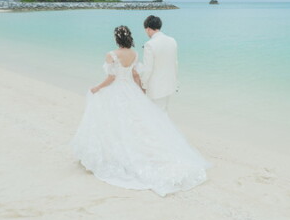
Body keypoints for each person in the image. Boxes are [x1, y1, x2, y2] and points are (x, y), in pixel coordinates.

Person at [71, 25, 209, 196]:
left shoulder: (111, 55)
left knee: (115, 122)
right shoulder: (134, 54)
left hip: (117, 90)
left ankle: (115, 155)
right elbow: (136, 75)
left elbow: (112, 77)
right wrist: (141, 91)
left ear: (116, 38)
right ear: (129, 37)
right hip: (130, 89)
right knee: (136, 123)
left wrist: (97, 88)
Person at [137, 15, 178, 112]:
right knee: (164, 114)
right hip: (170, 84)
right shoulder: (172, 41)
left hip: (156, 87)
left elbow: (148, 69)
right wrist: (176, 82)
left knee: (156, 116)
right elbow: (175, 63)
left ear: (147, 29)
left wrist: (143, 85)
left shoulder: (150, 44)